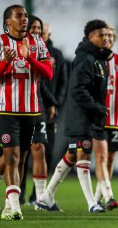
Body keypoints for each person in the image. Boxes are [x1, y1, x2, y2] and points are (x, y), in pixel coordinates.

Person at [36, 19, 112, 213]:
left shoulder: (99, 58)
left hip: (90, 116)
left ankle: (46, 196)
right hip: (81, 116)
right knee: (83, 154)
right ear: (90, 37)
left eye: (106, 34)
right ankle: (91, 203)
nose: (105, 38)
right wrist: (98, 107)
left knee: (72, 154)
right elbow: (78, 90)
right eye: (100, 35)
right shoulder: (85, 59)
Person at [0, 5, 52, 220]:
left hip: (31, 111)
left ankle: (8, 204)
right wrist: (6, 61)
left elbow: (48, 73)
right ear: (8, 21)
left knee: (22, 157)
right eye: (19, 16)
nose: (24, 19)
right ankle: (15, 207)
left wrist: (30, 58)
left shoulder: (37, 42)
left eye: (25, 15)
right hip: (6, 110)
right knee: (11, 156)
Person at [93, 26, 118, 210]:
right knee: (100, 157)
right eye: (107, 36)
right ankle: (105, 196)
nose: (109, 39)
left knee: (111, 158)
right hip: (98, 117)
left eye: (112, 36)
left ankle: (99, 198)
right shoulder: (94, 61)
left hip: (117, 117)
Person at [19, 15, 50, 205]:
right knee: (15, 156)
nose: (37, 32)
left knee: (40, 149)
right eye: (33, 28)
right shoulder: (8, 45)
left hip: (37, 107)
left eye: (39, 28)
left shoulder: (43, 48)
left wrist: (53, 103)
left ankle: (40, 199)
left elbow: (47, 76)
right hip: (13, 109)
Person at [41, 22, 68, 173]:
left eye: (42, 31)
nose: (40, 34)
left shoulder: (56, 54)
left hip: (50, 110)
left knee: (48, 150)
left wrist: (55, 104)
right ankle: (21, 191)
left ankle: (38, 193)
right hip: (31, 107)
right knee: (25, 152)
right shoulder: (27, 52)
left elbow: (64, 81)